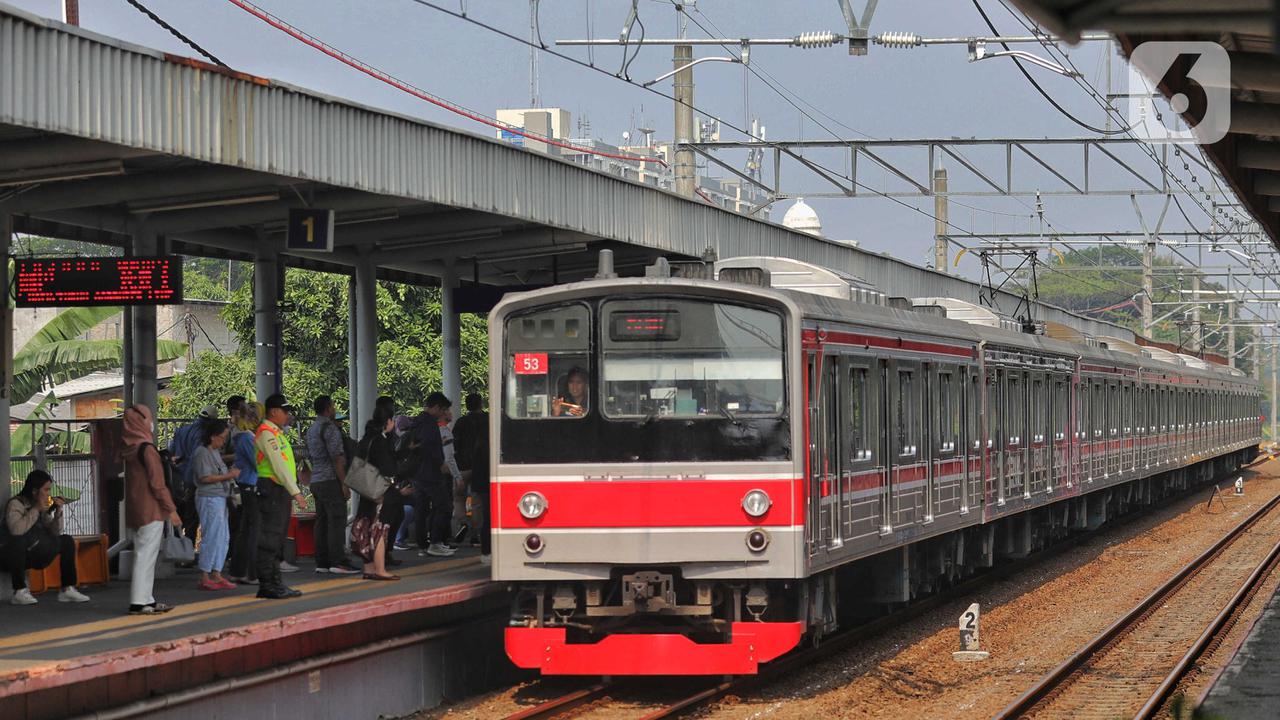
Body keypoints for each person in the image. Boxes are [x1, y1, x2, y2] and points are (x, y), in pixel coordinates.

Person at [122, 404, 179, 614]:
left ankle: (147, 599)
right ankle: (139, 601)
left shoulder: (130, 448)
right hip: (151, 508)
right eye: (148, 418)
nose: (151, 423)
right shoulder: (147, 449)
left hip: (135, 507)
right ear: (142, 422)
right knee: (147, 556)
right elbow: (157, 483)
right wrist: (170, 508)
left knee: (142, 553)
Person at [2, 470, 90, 605]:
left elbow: (55, 531)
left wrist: (58, 511)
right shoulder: (16, 504)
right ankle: (19, 590)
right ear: (35, 491)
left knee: (66, 541)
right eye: (46, 490)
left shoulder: (40, 506)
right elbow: (16, 531)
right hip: (12, 555)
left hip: (35, 550)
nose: (48, 494)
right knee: (18, 541)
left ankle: (67, 589)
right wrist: (35, 510)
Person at [254, 393, 308, 599]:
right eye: (285, 411)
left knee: (277, 537)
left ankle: (275, 583)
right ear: (274, 411)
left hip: (278, 491)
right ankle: (267, 584)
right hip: (271, 489)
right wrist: (296, 492)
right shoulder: (267, 433)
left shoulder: (276, 433)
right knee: (270, 537)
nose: (288, 415)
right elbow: (278, 465)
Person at [353, 407, 410, 581]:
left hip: (366, 488)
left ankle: (368, 568)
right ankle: (380, 569)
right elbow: (388, 469)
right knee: (380, 528)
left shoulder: (366, 440)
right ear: (388, 423)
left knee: (365, 526)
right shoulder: (381, 442)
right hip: (380, 492)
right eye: (392, 420)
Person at [306, 395, 359, 575]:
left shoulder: (312, 429)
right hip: (330, 480)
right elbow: (337, 459)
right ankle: (338, 561)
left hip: (317, 480)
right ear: (328, 408)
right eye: (333, 406)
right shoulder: (329, 429)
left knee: (321, 521)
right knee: (336, 521)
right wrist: (344, 484)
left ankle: (322, 561)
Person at [193, 419, 239, 590]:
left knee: (222, 536)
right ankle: (205, 573)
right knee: (211, 535)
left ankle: (216, 572)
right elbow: (204, 478)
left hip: (220, 496)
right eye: (222, 437)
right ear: (213, 437)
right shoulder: (202, 453)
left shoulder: (213, 452)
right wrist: (229, 476)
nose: (223, 441)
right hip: (209, 497)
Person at [413, 392, 454, 557]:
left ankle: (422, 545)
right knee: (444, 505)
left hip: (417, 472)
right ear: (436, 407)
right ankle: (435, 542)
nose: (443, 413)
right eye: (442, 409)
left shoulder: (417, 421)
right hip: (430, 473)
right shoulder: (430, 424)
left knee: (421, 510)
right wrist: (441, 462)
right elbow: (430, 447)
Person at [168, 405, 218, 541]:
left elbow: (171, 452)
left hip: (177, 479)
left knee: (179, 514)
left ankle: (176, 545)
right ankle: (187, 551)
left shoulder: (181, 430)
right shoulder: (203, 434)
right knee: (192, 517)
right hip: (194, 480)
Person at [226, 403, 263, 585]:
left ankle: (238, 570)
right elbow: (257, 463)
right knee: (253, 529)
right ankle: (251, 571)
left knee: (244, 530)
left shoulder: (237, 436)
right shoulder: (247, 438)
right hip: (252, 484)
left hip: (244, 485)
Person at [452, 393, 488, 547]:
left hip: (462, 466)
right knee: (477, 502)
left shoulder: (461, 422)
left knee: (458, 498)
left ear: (466, 405)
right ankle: (476, 534)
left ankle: (462, 523)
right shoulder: (487, 420)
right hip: (482, 466)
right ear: (481, 404)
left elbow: (454, 445)